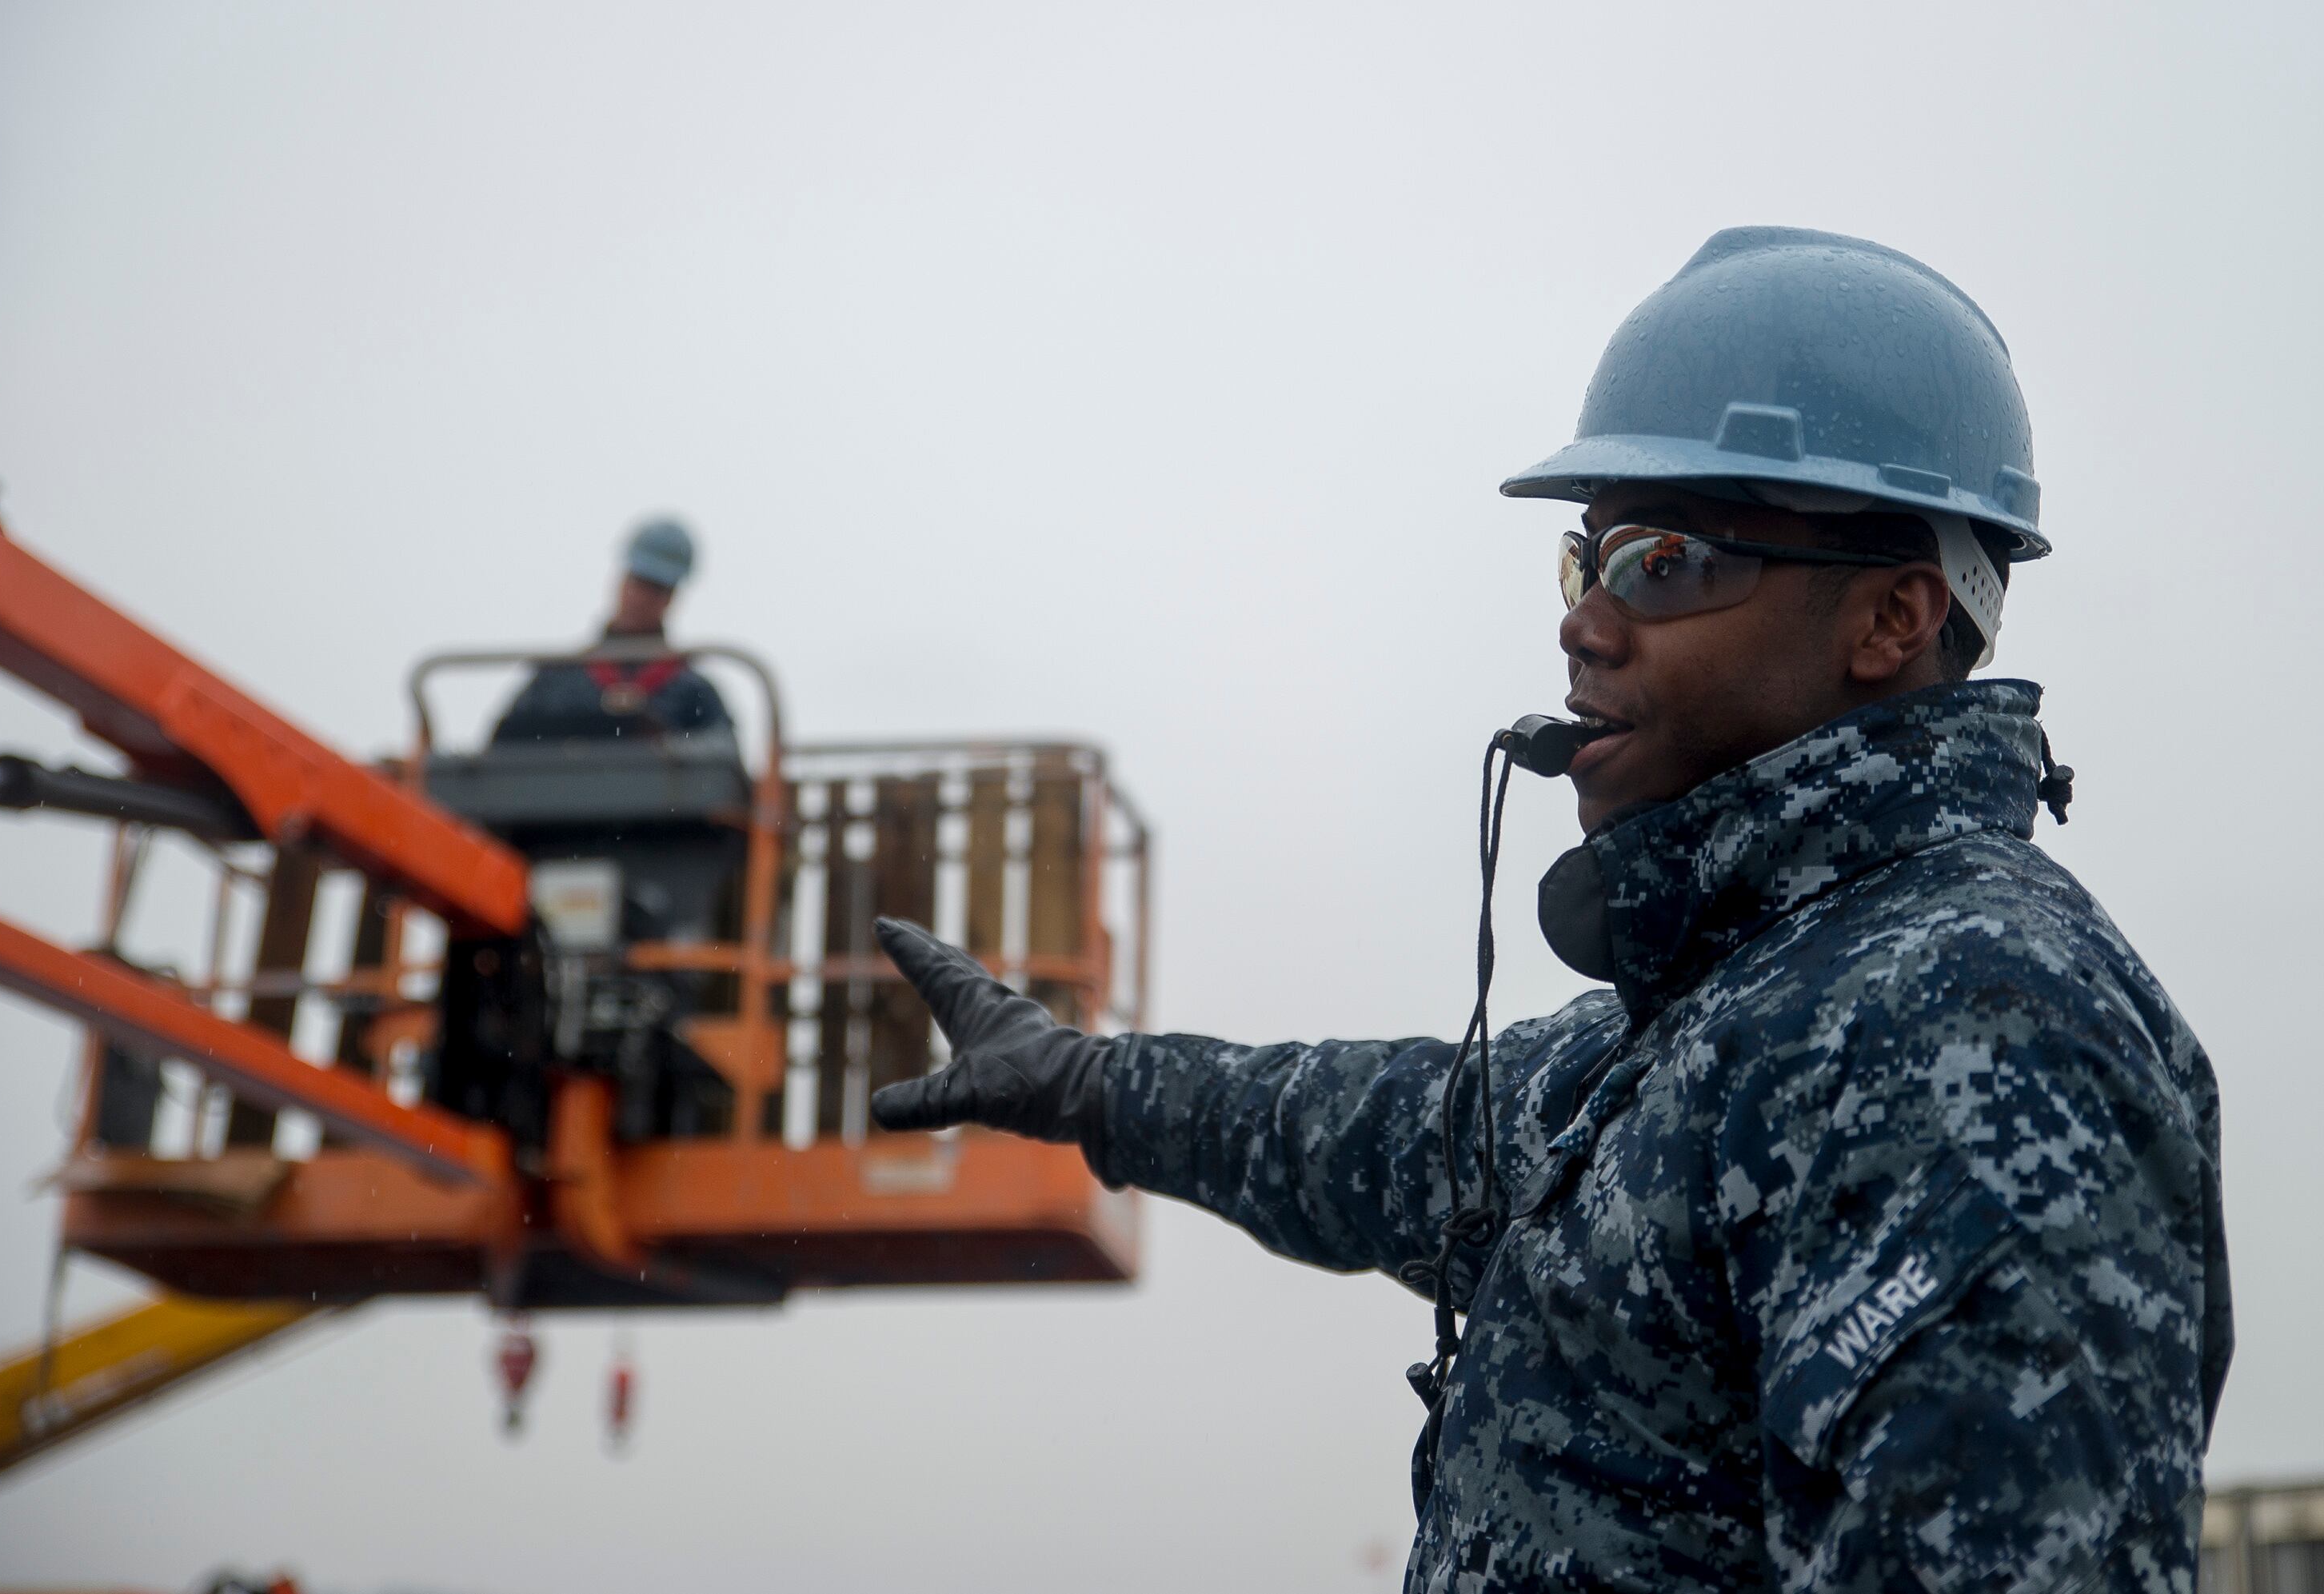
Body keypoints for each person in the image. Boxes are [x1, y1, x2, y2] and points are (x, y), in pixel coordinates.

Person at [865, 228, 2230, 1592]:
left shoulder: (1967, 1022)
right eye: (1586, 564)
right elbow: (1354, 1129)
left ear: (1891, 618)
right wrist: (1080, 1082)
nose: (1585, 624)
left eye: (1665, 560)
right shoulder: (1698, 1030)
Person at [492, 516, 739, 748]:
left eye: (656, 588)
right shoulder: (557, 680)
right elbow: (500, 756)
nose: (640, 598)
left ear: (672, 597)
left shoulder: (694, 696)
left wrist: (666, 747)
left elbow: (722, 761)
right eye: (637, 581)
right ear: (621, 580)